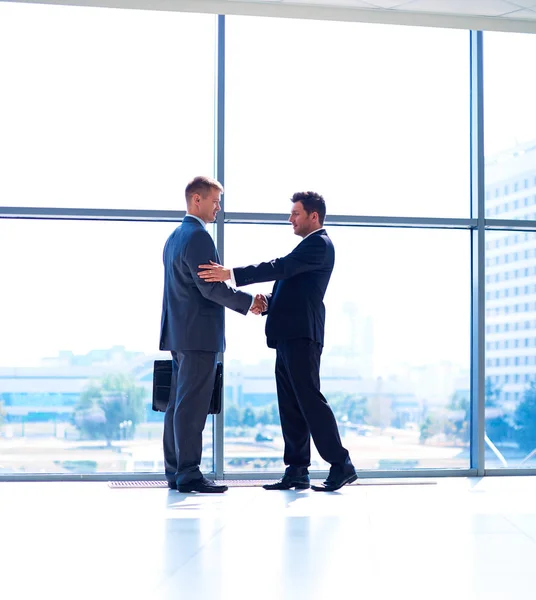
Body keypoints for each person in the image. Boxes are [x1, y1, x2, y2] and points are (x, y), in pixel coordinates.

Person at [198, 191, 357, 492]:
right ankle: (297, 470)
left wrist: (230, 273)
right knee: (291, 405)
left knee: (309, 401)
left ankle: (341, 463)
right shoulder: (306, 250)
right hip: (287, 335)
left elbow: (279, 267)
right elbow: (291, 290)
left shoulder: (319, 245)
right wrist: (265, 302)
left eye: (296, 213)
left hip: (302, 336)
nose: (290, 219)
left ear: (314, 216)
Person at [160, 176, 266, 493]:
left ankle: (175, 471)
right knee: (192, 407)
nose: (218, 208)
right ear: (197, 199)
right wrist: (249, 304)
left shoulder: (174, 237)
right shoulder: (198, 238)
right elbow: (209, 286)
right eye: (215, 201)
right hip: (198, 336)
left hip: (179, 334)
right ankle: (189, 473)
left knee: (177, 405)